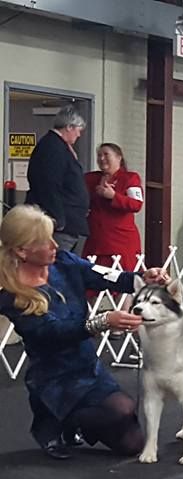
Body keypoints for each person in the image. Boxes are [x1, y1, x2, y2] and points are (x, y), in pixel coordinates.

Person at [0, 205, 169, 459]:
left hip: (87, 365)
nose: (53, 245)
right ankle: (53, 417)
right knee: (121, 409)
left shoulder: (65, 262)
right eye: (43, 241)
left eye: (52, 237)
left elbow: (106, 276)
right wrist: (103, 322)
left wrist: (143, 278)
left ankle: (72, 422)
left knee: (133, 444)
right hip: (54, 378)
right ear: (22, 250)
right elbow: (54, 333)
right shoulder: (12, 295)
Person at [25, 106, 89, 255]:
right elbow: (49, 185)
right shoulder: (52, 147)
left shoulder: (56, 146)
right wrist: (58, 220)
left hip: (69, 223)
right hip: (62, 226)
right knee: (58, 267)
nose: (79, 135)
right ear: (69, 127)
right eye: (78, 130)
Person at [83, 143, 143, 271]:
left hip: (120, 240)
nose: (102, 158)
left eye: (106, 154)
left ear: (119, 157)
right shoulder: (90, 178)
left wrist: (114, 196)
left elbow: (136, 204)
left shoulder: (130, 178)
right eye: (99, 155)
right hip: (96, 239)